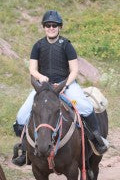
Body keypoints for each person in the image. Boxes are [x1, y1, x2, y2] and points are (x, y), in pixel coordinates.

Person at [12, 10, 108, 166]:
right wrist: (41, 78)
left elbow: (75, 70)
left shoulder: (67, 45)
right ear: (44, 27)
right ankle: (24, 150)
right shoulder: (38, 45)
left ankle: (97, 140)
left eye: (54, 25)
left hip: (66, 85)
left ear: (59, 27)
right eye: (48, 25)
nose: (51, 28)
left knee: (86, 107)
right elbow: (32, 69)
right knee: (22, 115)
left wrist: (65, 84)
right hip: (43, 87)